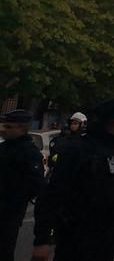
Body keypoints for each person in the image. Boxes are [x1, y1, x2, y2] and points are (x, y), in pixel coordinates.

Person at [32, 99, 114, 261]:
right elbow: (51, 196)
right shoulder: (80, 150)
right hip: (78, 235)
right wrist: (42, 241)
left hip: (107, 236)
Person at [0, 109, 45, 261]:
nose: (3, 129)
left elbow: (35, 184)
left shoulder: (29, 153)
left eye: (8, 127)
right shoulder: (4, 148)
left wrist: (10, 199)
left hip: (8, 214)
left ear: (21, 128)